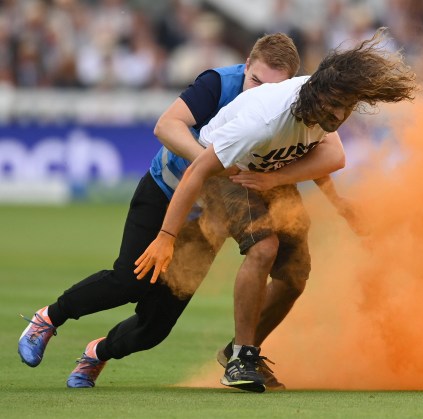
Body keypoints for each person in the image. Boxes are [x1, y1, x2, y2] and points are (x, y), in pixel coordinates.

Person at [17, 33, 347, 390]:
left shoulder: (284, 107)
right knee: (131, 279)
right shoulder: (217, 83)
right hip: (165, 191)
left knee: (154, 328)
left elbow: (310, 148)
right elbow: (166, 125)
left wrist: (337, 200)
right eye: (255, 81)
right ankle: (48, 318)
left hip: (209, 218)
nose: (258, 92)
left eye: (271, 87)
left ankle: (97, 353)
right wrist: (212, 163)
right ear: (246, 65)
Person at [135, 27, 417, 393]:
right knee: (263, 247)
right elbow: (198, 170)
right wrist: (165, 237)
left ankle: (240, 351)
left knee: (296, 273)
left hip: (266, 170)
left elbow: (332, 155)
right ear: (314, 96)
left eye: (346, 108)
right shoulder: (262, 122)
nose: (338, 114)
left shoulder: (324, 108)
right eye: (334, 106)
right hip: (227, 170)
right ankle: (242, 359)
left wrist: (333, 201)